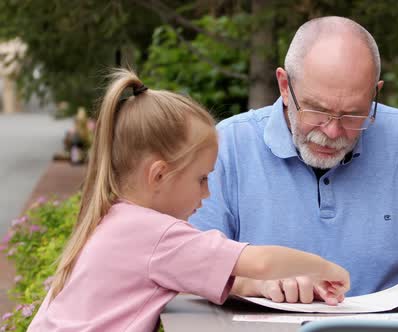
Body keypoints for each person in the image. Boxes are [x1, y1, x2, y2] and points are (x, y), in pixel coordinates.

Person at [27, 70, 350, 332]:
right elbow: (259, 261)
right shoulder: (156, 233)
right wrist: (328, 268)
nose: (207, 193)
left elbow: (220, 275)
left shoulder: (116, 219)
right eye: (202, 178)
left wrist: (261, 287)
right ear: (158, 175)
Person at [189, 16, 398, 303]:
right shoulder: (228, 144)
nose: (332, 130)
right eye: (316, 110)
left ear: (374, 93)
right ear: (284, 86)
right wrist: (252, 282)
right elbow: (192, 267)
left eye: (353, 114)